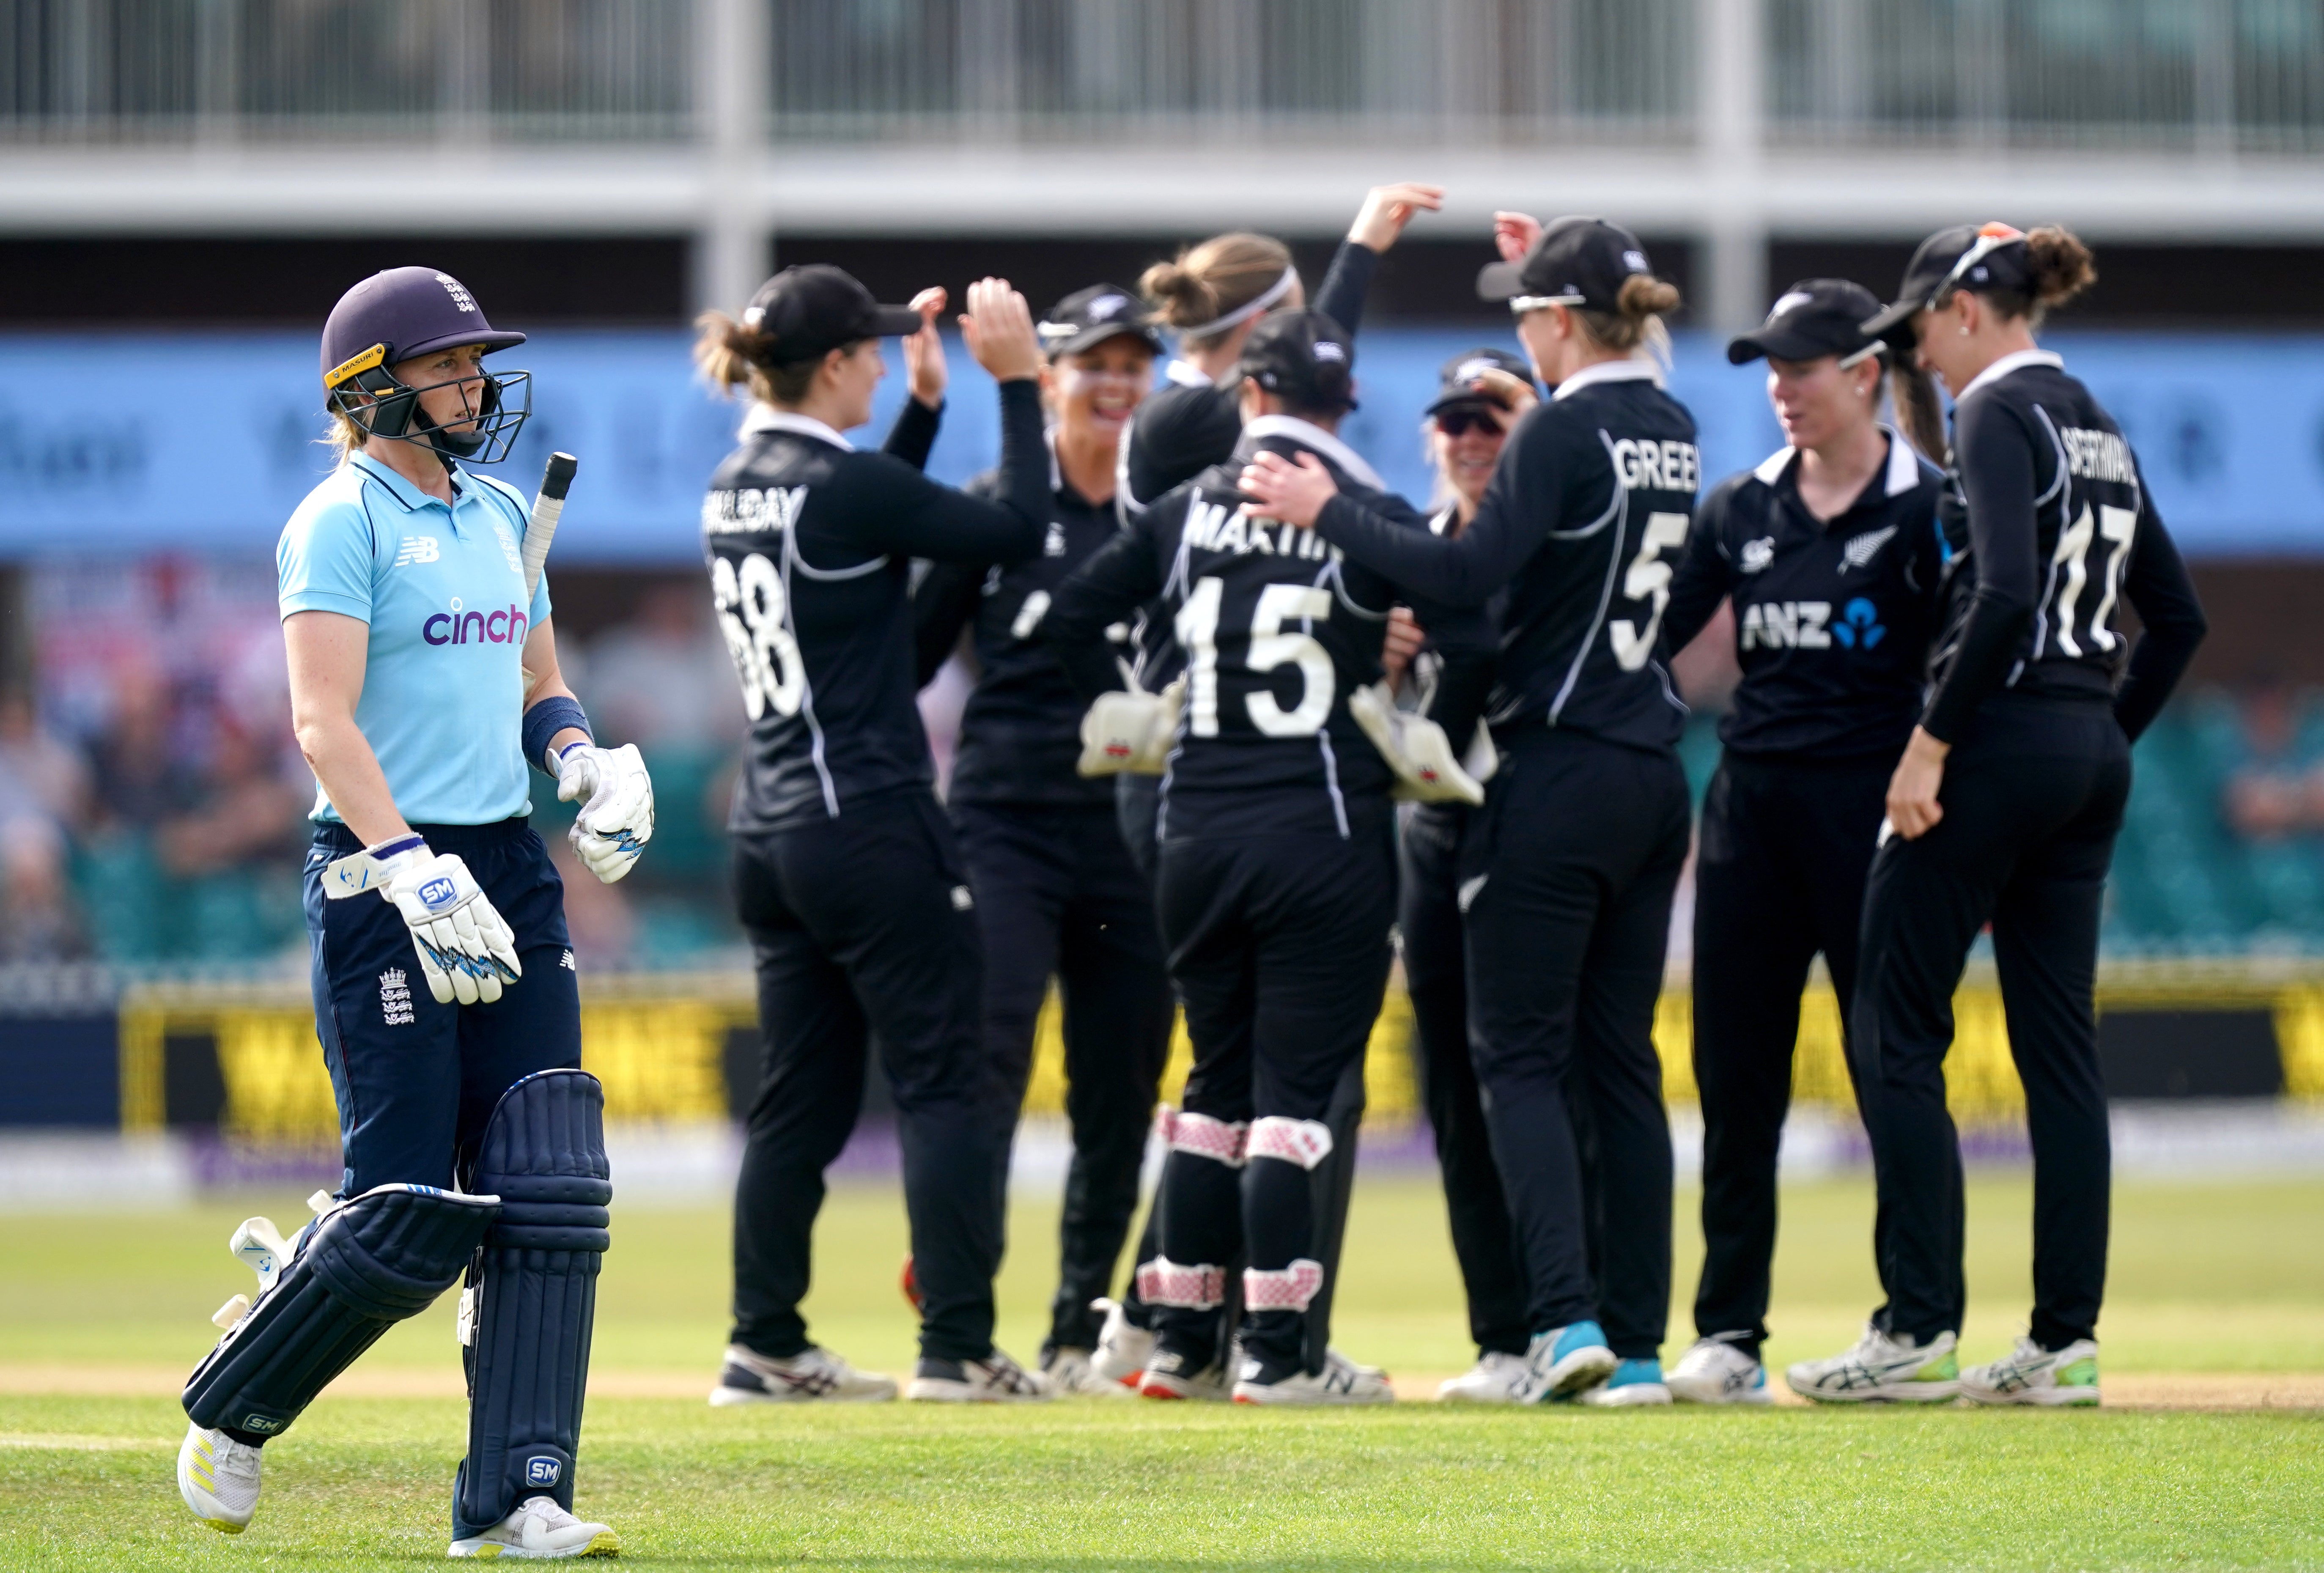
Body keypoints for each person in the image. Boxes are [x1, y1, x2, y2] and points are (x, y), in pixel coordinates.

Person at [177, 266, 653, 1557]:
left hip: (506, 864)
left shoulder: (500, 510)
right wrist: (404, 859)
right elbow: (320, 721)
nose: (476, 384)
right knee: (405, 1216)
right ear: (374, 388)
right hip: (381, 879)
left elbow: (538, 683)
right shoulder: (340, 520)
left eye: (476, 364)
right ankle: (236, 1397)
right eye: (449, 366)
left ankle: (519, 1496)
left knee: (549, 1184)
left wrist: (579, 762)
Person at [1240, 215, 1700, 1407]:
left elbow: (1459, 574)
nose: (1520, 338)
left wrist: (1322, 508)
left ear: (1556, 324)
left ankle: (1560, 1322)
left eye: (1527, 315)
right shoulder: (1672, 423)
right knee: (1620, 1063)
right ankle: (1641, 1348)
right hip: (1651, 770)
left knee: (1519, 1059)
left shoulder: (1563, 428)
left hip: (1549, 775)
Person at [1786, 225, 2206, 1406]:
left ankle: (1915, 1332)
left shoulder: (1993, 412)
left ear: (1969, 307)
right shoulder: (2098, 423)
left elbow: (2009, 592)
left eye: (1917, 327)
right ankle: (2063, 1344)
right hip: (2082, 746)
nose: (1913, 354)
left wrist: (1936, 745)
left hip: (2000, 736)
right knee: (2060, 1051)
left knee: (1892, 1022)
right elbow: (2176, 619)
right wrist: (2093, 746)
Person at [1044, 309, 1492, 1405]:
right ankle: (1278, 1357)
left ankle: (1184, 1343)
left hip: (1192, 830)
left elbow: (1067, 616)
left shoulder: (1187, 510)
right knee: (1293, 1100)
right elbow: (1467, 603)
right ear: (1345, 410)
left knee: (1211, 1088)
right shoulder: (1370, 514)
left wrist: (1179, 653)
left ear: (1251, 398)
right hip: (1321, 830)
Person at [697, 265, 1056, 1406]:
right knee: (945, 1079)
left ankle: (765, 1341)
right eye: (880, 354)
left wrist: (927, 409)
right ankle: (955, 1347)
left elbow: (854, 525)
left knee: (798, 1098)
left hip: (772, 830)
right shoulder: (840, 486)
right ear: (843, 363)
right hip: (871, 820)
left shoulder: (734, 480)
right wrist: (1017, 386)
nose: (888, 365)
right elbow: (1013, 527)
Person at [1649, 281, 1946, 1405]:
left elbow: (1978, 651)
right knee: (1737, 1084)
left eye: (1802, 368)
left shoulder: (1933, 507)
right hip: (1749, 816)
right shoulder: (1738, 509)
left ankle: (1917, 1324)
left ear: (1866, 374)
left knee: (1889, 1073)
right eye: (1768, 370)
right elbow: (1655, 642)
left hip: (1875, 822)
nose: (1780, 390)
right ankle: (1728, 1334)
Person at [910, 284, 1176, 1395]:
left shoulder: (1168, 517)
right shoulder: (996, 508)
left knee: (1119, 1090)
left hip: (1134, 831)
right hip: (1006, 825)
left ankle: (1078, 1330)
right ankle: (964, 1317)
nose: (1116, 384)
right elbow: (912, 659)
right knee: (987, 1065)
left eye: (1134, 364)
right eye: (1093, 363)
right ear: (1051, 375)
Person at [1377, 348, 1542, 1403]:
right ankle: (1502, 1337)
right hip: (1430, 837)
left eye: (1494, 418)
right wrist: (1371, 652)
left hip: (1529, 828)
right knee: (1452, 1088)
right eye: (1457, 422)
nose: (1473, 439)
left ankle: (1579, 1317)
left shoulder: (1554, 550)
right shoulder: (1403, 556)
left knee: (1535, 1079)